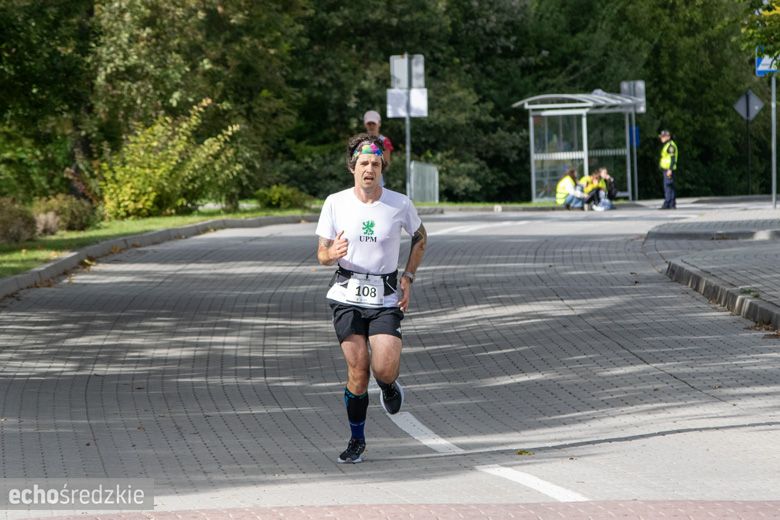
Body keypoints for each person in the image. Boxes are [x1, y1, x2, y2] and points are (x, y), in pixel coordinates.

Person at [316, 133, 427, 464]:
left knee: (383, 367)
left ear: (382, 168)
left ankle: (390, 385)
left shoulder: (399, 204)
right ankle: (357, 440)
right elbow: (321, 253)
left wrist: (408, 277)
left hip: (386, 294)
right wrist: (330, 253)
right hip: (346, 294)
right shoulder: (335, 203)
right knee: (358, 368)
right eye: (363, 163)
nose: (369, 169)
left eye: (375, 164)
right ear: (352, 167)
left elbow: (421, 238)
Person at [658, 130, 678, 209]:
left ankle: (668, 203)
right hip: (667, 169)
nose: (661, 138)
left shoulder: (670, 146)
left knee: (668, 186)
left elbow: (673, 159)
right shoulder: (667, 145)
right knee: (669, 186)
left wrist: (670, 169)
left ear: (668, 137)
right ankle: (671, 204)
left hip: (669, 169)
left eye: (663, 137)